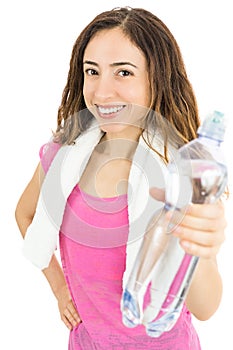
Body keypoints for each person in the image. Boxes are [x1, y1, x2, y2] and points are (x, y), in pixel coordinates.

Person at [15, 7, 227, 350]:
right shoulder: (63, 157)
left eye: (123, 73)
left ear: (155, 78)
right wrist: (58, 287)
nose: (101, 93)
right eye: (92, 71)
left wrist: (199, 244)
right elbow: (23, 213)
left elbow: (206, 308)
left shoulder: (182, 174)